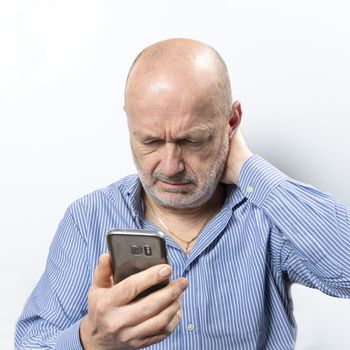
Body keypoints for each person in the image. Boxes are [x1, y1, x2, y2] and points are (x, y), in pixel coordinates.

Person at [15, 38, 350, 350]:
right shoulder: (88, 219)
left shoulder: (267, 214)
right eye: (150, 141)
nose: (171, 166)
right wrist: (90, 340)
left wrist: (249, 169)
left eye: (192, 141)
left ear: (231, 122)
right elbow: (32, 342)